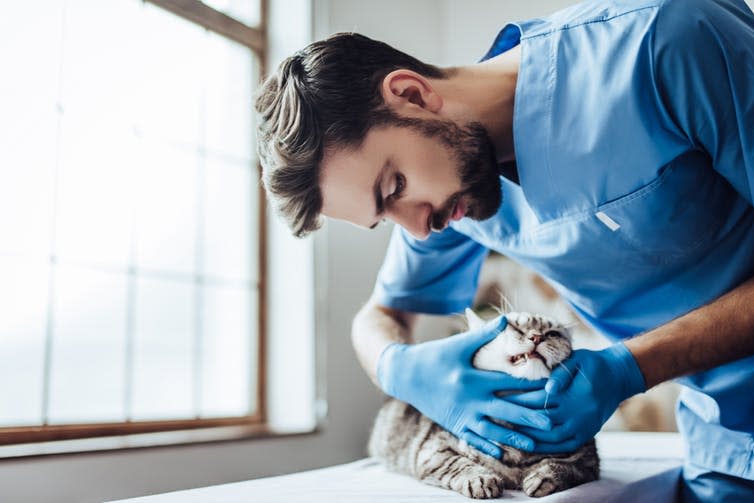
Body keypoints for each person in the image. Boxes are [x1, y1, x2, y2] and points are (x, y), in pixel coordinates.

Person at [254, 0, 754, 500]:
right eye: (382, 217)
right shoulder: (449, 200)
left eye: (392, 189)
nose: (417, 230)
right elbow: (379, 317)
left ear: (411, 93)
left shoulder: (666, 41)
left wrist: (633, 366)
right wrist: (399, 369)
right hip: (727, 446)